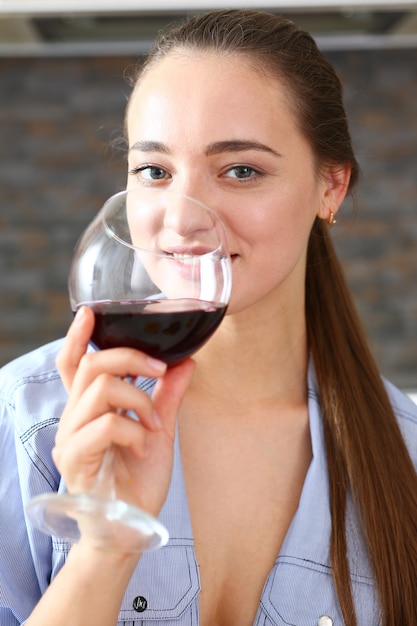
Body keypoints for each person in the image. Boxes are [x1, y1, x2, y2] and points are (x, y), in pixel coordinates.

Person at [0, 9, 416, 626]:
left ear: (330, 186)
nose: (181, 218)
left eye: (241, 170)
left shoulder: (404, 451)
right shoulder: (27, 425)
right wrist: (104, 549)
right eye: (155, 171)